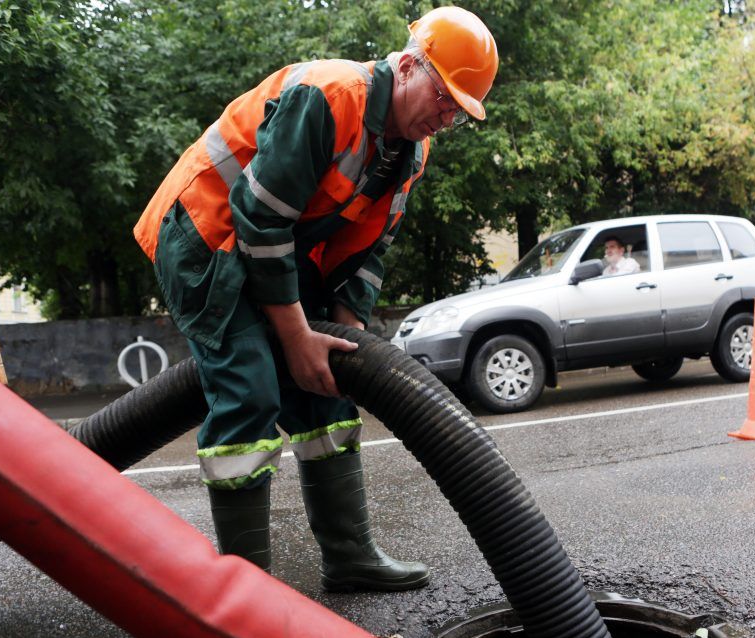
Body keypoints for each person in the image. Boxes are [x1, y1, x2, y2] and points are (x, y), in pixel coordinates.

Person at [132, 7, 498, 591]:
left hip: (276, 250)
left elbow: (365, 249)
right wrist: (297, 336)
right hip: (207, 236)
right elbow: (260, 219)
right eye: (444, 97)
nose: (447, 116)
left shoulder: (410, 152)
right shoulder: (330, 96)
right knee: (249, 391)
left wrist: (341, 337)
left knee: (328, 383)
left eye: (460, 110)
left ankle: (349, 557)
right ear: (407, 67)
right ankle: (246, 594)